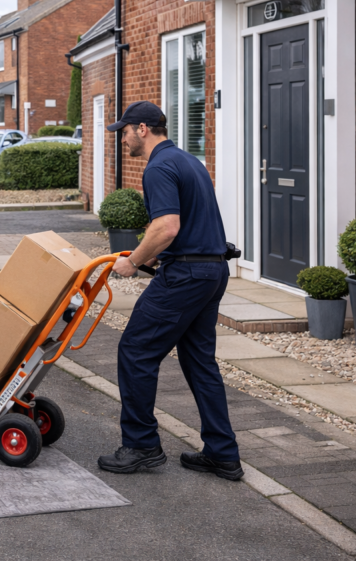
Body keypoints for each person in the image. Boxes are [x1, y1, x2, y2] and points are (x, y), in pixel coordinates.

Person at [96, 101, 242, 481]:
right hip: (212, 271)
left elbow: (166, 228)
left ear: (142, 129)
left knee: (136, 351)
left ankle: (142, 446)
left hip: (187, 276)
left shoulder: (158, 166)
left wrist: (132, 262)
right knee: (199, 361)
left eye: (124, 132)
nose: (122, 139)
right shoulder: (189, 160)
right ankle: (222, 453)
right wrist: (152, 257)